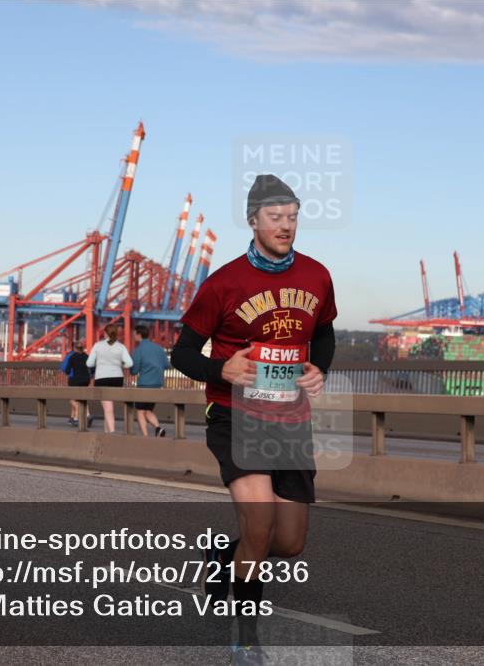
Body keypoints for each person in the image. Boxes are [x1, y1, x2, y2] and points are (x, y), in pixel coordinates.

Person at [171, 174, 336, 663]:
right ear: (253, 220)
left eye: (292, 217)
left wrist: (317, 369)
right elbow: (181, 353)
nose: (285, 226)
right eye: (275, 217)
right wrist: (220, 366)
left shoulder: (317, 276)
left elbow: (324, 335)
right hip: (234, 414)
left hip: (289, 419)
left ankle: (225, 554)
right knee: (261, 527)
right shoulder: (222, 283)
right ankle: (245, 639)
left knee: (288, 543)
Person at [86, 324, 132, 433]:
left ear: (105, 333)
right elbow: (129, 363)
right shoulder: (121, 347)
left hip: (102, 378)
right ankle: (106, 436)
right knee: (108, 409)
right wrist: (119, 365)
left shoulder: (98, 345)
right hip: (117, 378)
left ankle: (112, 435)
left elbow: (89, 363)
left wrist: (100, 363)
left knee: (108, 409)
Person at [129, 324, 169, 437]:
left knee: (140, 411)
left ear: (138, 334)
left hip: (144, 384)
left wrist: (130, 368)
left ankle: (145, 437)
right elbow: (166, 365)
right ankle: (158, 429)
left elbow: (134, 370)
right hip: (157, 384)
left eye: (134, 334)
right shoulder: (159, 348)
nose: (133, 336)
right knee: (148, 410)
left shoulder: (139, 350)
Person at [61, 341, 93, 427]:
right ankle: (87, 415)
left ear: (75, 348)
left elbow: (67, 370)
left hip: (75, 380)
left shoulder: (73, 356)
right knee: (83, 398)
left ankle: (76, 418)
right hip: (86, 380)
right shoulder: (86, 356)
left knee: (72, 398)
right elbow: (92, 367)